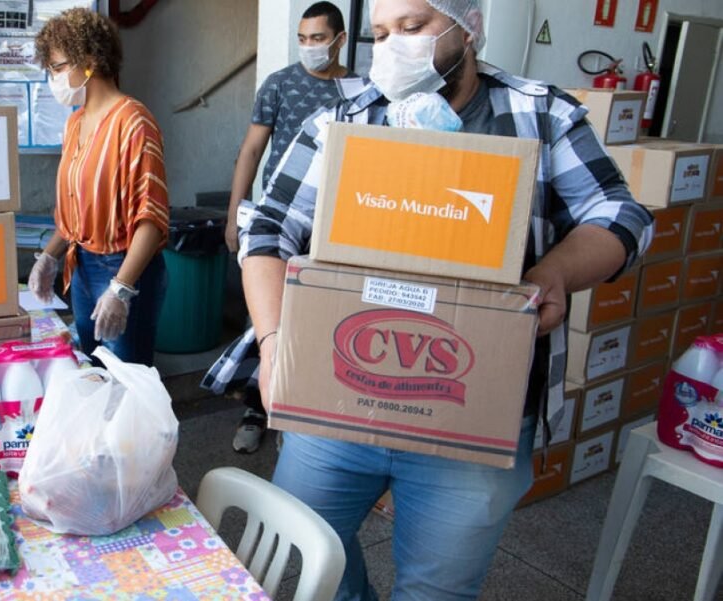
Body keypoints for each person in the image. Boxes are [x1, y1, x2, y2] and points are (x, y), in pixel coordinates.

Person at [235, 0, 655, 599]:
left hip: (474, 414)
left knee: (437, 590)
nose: (393, 48)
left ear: (468, 25)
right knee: (311, 561)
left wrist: (556, 271)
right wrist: (275, 339)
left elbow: (621, 214)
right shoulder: (344, 122)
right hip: (337, 401)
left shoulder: (539, 114)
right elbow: (269, 227)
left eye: (413, 27)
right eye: (380, 34)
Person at [207, 1, 365, 454]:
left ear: (339, 40)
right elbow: (251, 150)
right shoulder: (279, 85)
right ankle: (258, 410)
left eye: (318, 39)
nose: (309, 47)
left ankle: (307, 424)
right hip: (280, 225)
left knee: (321, 325)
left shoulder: (360, 91)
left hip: (336, 231)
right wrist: (237, 213)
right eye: (302, 38)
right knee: (269, 323)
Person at [28, 8, 169, 366]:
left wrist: (121, 288)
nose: (54, 79)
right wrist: (49, 256)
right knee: (92, 372)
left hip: (123, 267)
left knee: (126, 381)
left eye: (58, 68)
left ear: (89, 60)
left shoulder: (133, 121)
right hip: (82, 265)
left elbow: (151, 219)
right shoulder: (75, 123)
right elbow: (76, 211)